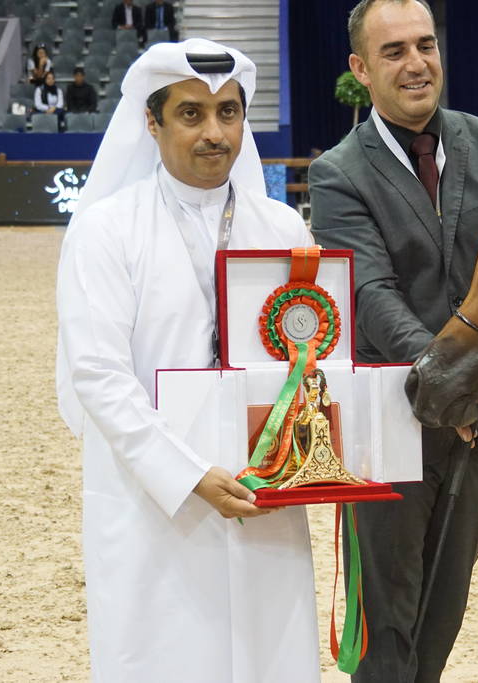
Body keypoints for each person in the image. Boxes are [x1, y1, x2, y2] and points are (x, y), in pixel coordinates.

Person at [56, 39, 320, 681]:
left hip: (263, 494)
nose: (215, 133)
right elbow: (99, 374)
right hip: (154, 502)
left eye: (228, 113)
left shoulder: (283, 228)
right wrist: (189, 474)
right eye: (191, 114)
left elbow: (313, 364)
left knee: (270, 655)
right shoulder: (106, 229)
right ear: (152, 123)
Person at [308, 1, 478, 680]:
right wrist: (454, 383)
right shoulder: (338, 173)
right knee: (387, 625)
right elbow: (372, 294)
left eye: (425, 45)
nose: (416, 64)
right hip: (389, 421)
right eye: (394, 52)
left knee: (442, 615)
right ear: (361, 69)